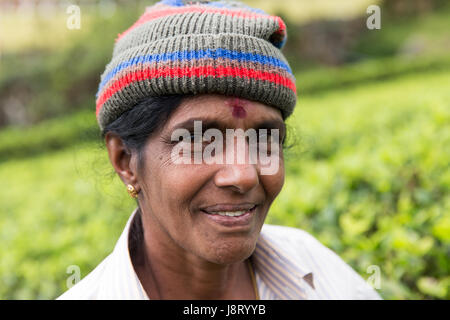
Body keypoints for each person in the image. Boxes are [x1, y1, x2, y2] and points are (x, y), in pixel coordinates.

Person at [58, 0, 381, 300]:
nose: (243, 175)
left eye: (264, 139)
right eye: (201, 141)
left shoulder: (318, 270)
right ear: (125, 160)